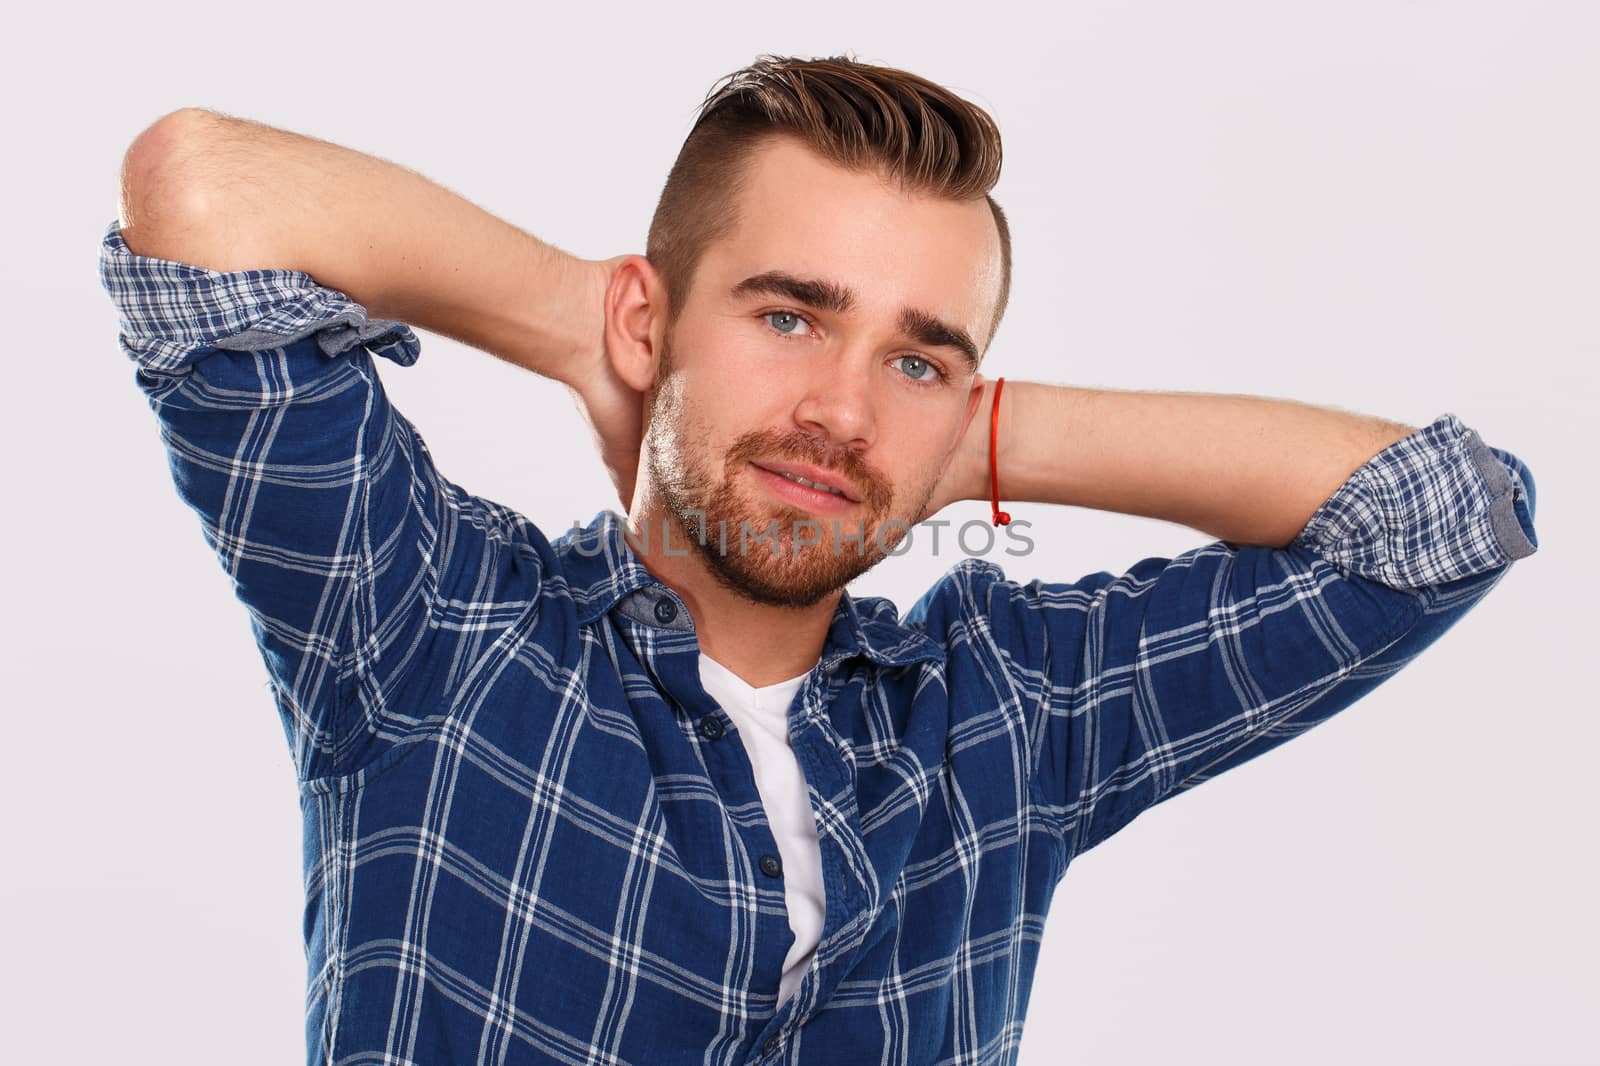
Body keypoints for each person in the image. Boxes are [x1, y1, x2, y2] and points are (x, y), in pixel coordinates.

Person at [100, 54, 1537, 1066]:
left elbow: (1439, 520)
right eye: (788, 316)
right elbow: (201, 198)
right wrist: (583, 328)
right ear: (656, 317)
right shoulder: (432, 625)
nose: (841, 412)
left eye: (917, 355)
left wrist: (970, 440)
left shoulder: (1006, 716)